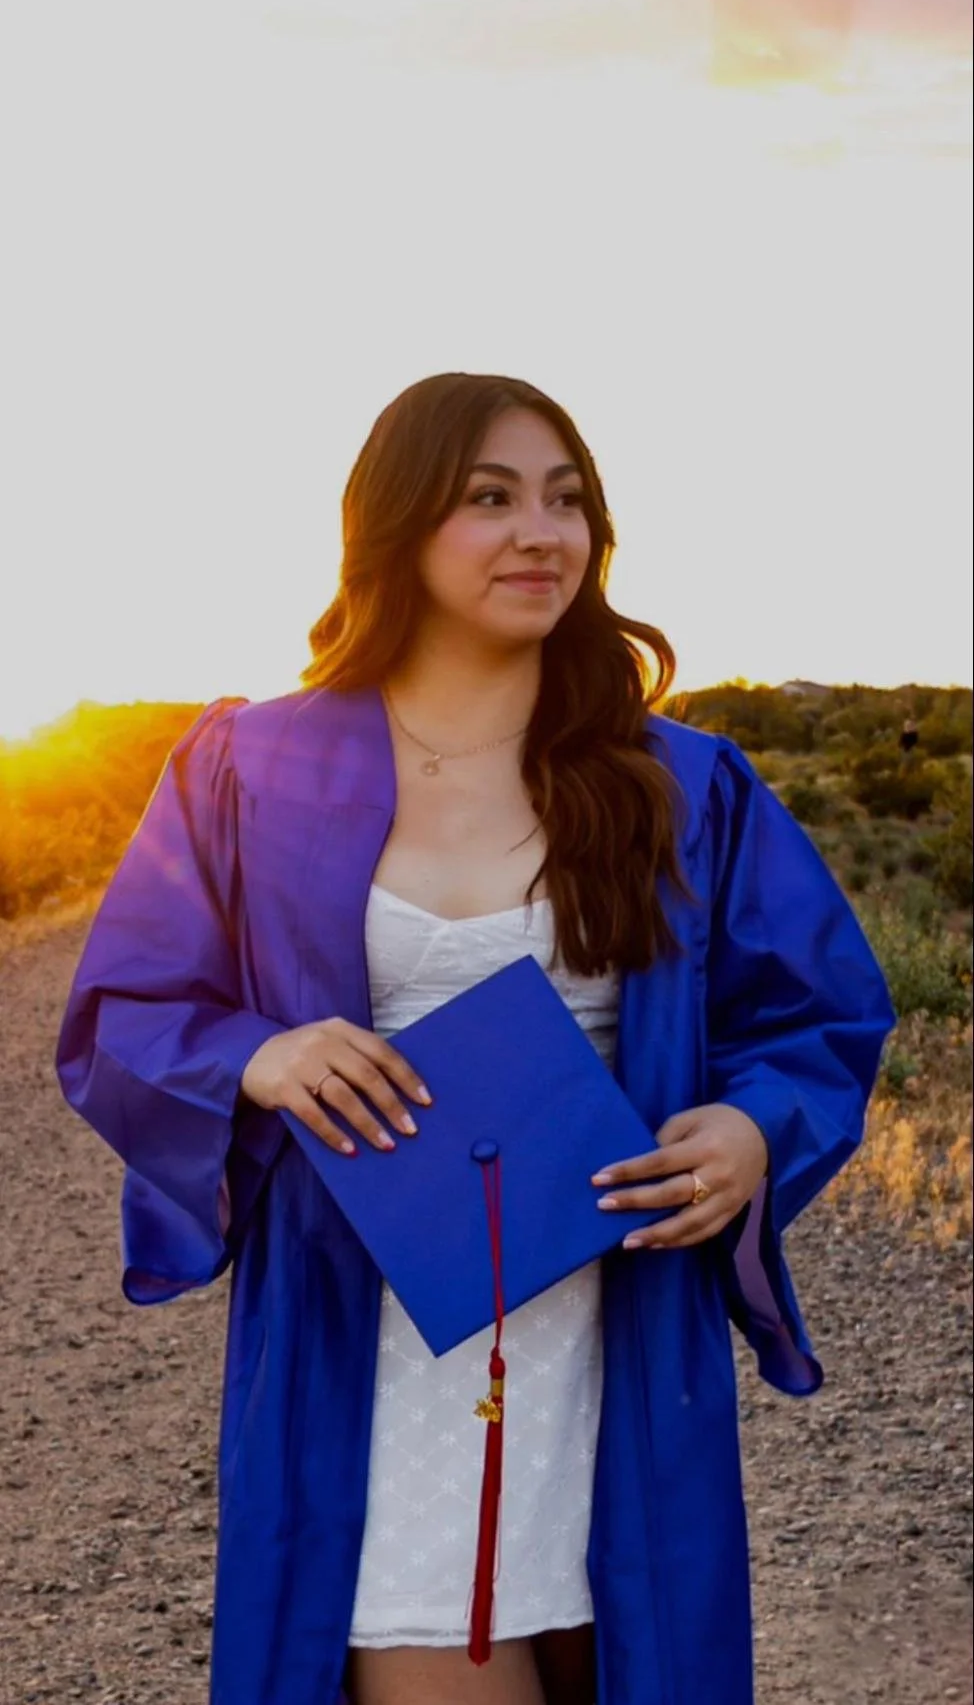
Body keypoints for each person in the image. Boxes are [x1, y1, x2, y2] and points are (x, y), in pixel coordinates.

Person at [56, 371, 895, 1705]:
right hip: (376, 1336)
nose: (540, 533)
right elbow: (124, 1013)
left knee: (632, 1655)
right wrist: (257, 1057)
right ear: (397, 525)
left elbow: (816, 1014)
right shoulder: (252, 771)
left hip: (616, 1318)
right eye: (489, 497)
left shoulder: (676, 781)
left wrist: (748, 1128)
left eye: (567, 501)